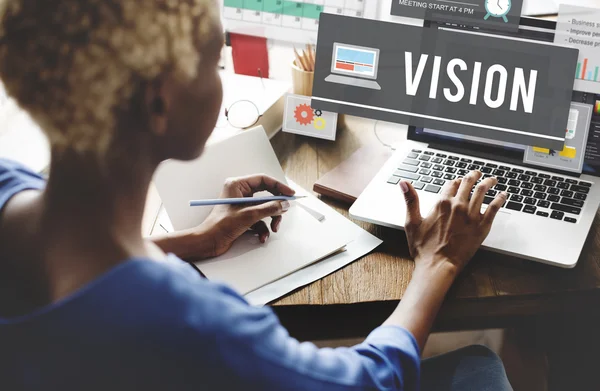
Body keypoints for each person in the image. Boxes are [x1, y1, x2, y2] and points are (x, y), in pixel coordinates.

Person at [0, 1, 512, 390]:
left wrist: (196, 241)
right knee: (481, 370)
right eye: (215, 59)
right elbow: (365, 381)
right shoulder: (190, 322)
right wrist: (437, 263)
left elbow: (77, 273)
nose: (221, 75)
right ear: (159, 100)